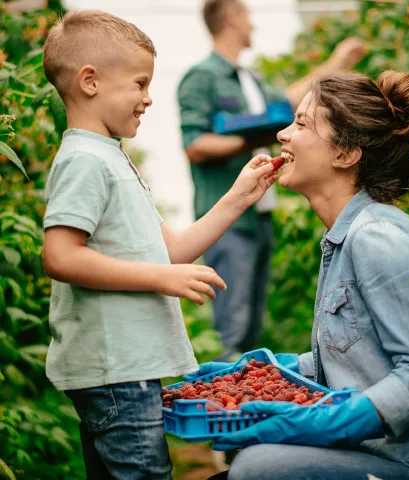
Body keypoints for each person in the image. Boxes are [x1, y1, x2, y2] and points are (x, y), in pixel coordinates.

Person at [190, 70, 409, 480]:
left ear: (346, 154)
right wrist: (261, 374)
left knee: (257, 468)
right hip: (386, 456)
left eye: (302, 124)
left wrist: (325, 421)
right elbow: (358, 356)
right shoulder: (344, 237)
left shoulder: (378, 239)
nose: (282, 135)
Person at [41, 10, 280, 480]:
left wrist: (237, 198)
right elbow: (60, 256)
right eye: (139, 83)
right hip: (115, 371)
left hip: (125, 368)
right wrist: (160, 278)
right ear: (89, 81)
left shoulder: (110, 158)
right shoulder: (86, 160)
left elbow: (170, 251)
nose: (148, 99)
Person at [177, 0, 366, 362]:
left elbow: (297, 101)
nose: (254, 25)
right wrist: (249, 140)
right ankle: (220, 409)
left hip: (259, 217)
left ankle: (243, 408)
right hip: (229, 222)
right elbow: (195, 144)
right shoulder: (202, 78)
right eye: (248, 15)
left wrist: (340, 60)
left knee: (249, 328)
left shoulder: (251, 80)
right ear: (232, 17)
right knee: (231, 330)